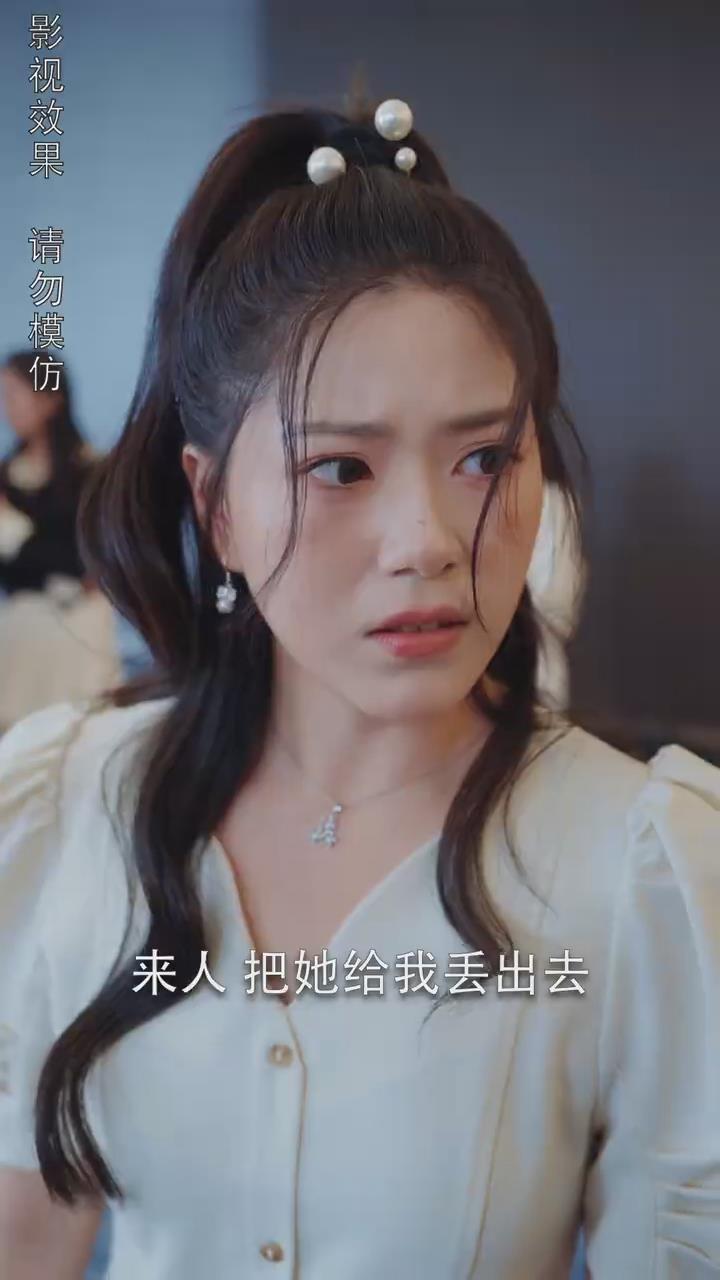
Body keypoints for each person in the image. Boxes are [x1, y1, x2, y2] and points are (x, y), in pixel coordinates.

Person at [0, 96, 718, 1280]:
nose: (426, 540)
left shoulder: (644, 868)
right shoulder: (63, 805)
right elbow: (28, 1236)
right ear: (216, 506)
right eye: (340, 466)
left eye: (483, 456)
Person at [0, 353, 121, 730]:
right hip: (22, 628)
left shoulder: (93, 469)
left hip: (79, 626)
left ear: (50, 400)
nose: (7, 408)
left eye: (14, 395)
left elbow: (95, 558)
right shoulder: (7, 476)